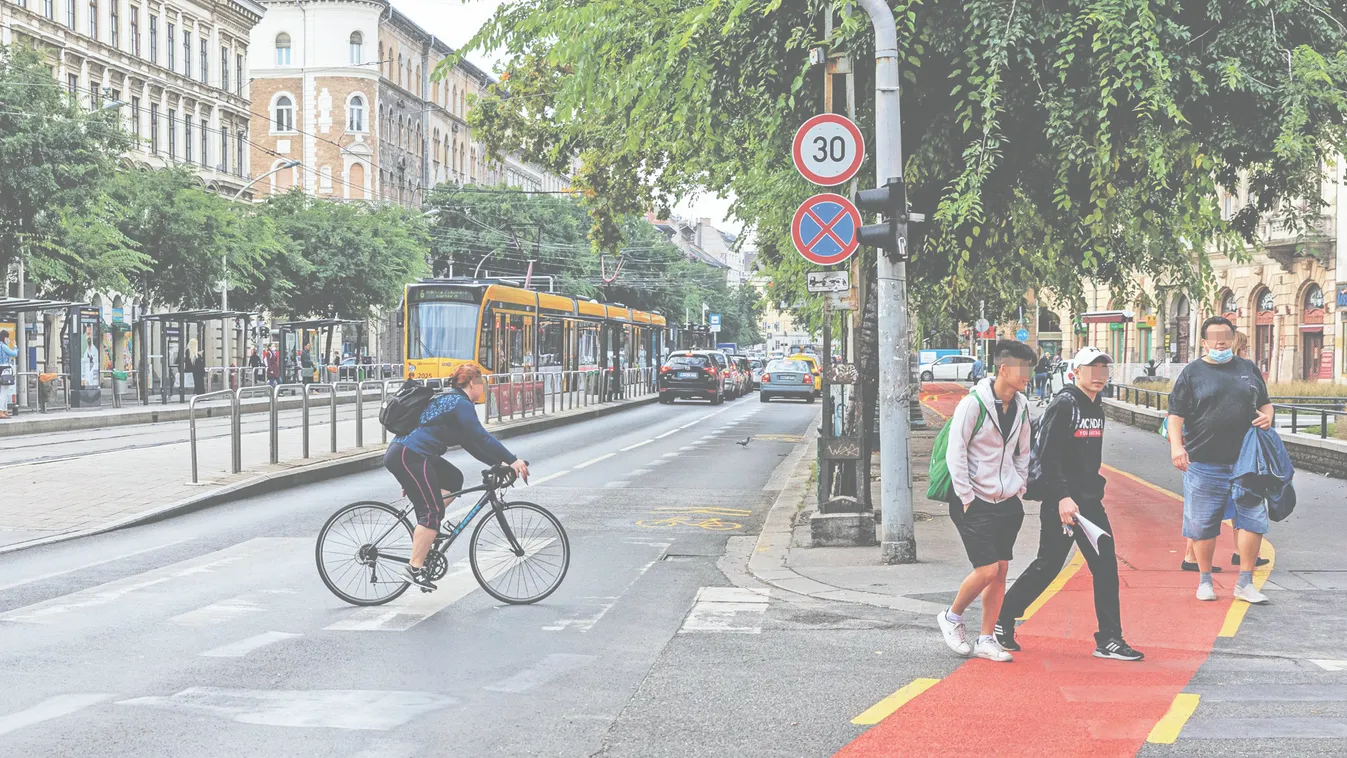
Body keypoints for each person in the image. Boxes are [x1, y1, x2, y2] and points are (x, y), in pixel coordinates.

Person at [997, 347, 1144, 661]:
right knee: (1048, 566)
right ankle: (1003, 618)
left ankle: (1109, 639)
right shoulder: (1064, 405)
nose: (1099, 376)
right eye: (1092, 369)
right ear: (1075, 372)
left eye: (1103, 369)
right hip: (1062, 503)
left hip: (1089, 503)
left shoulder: (1096, 405)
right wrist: (1063, 497)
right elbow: (1048, 456)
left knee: (1105, 567)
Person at [384, 364, 529, 591]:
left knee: (453, 479)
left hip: (409, 455)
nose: (483, 388)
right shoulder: (460, 403)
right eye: (481, 383)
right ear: (472, 383)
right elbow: (482, 437)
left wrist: (499, 464)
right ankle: (414, 568)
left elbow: (471, 444)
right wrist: (512, 460)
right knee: (431, 511)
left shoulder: (451, 400)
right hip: (409, 455)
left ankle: (427, 530)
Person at [937, 339, 1035, 662]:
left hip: (1006, 500)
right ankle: (951, 617)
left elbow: (1024, 451)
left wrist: (1018, 486)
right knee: (987, 569)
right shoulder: (973, 404)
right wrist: (966, 495)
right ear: (1004, 369)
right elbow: (956, 451)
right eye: (1023, 368)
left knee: (1002, 569)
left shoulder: (1021, 406)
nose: (1028, 375)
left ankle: (986, 638)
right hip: (972, 499)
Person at [1167, 316, 1274, 605]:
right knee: (1203, 524)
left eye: (1225, 337)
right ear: (1204, 342)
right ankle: (1205, 581)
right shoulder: (1192, 372)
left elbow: (1265, 403)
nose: (1220, 342)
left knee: (1252, 521)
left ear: (1232, 338)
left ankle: (1245, 583)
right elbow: (1175, 414)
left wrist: (1267, 417)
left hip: (1247, 461)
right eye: (1214, 338)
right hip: (1204, 461)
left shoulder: (1247, 369)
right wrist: (1176, 447)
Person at [0, 329, 17, 419]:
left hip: (1, 369)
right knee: (4, 392)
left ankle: (4, 410)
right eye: (7, 338)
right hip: (4, 369)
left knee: (3, 391)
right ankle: (1, 411)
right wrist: (15, 346)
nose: (8, 340)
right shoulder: (3, 346)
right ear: (4, 338)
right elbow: (14, 354)